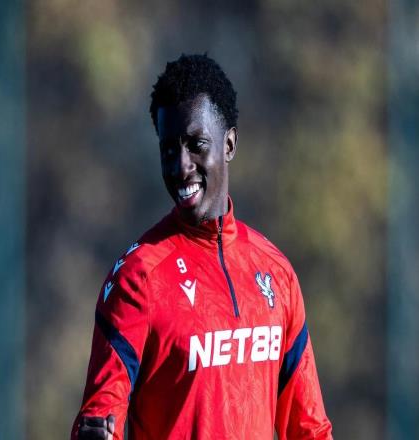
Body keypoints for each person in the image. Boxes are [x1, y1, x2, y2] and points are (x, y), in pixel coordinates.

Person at [71, 54, 332, 440]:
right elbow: (100, 415)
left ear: (229, 144)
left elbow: (309, 428)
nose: (181, 166)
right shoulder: (138, 278)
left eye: (196, 145)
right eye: (168, 150)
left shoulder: (276, 273)